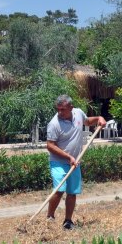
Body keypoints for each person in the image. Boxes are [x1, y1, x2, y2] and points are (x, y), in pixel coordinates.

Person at [45, 95, 106, 230]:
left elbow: (87, 122)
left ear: (71, 108)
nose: (60, 112)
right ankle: (50, 217)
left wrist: (98, 119)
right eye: (58, 109)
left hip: (75, 161)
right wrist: (68, 157)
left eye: (63, 109)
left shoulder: (78, 113)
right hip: (59, 162)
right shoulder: (54, 123)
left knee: (72, 192)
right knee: (59, 189)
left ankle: (68, 221)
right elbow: (50, 146)